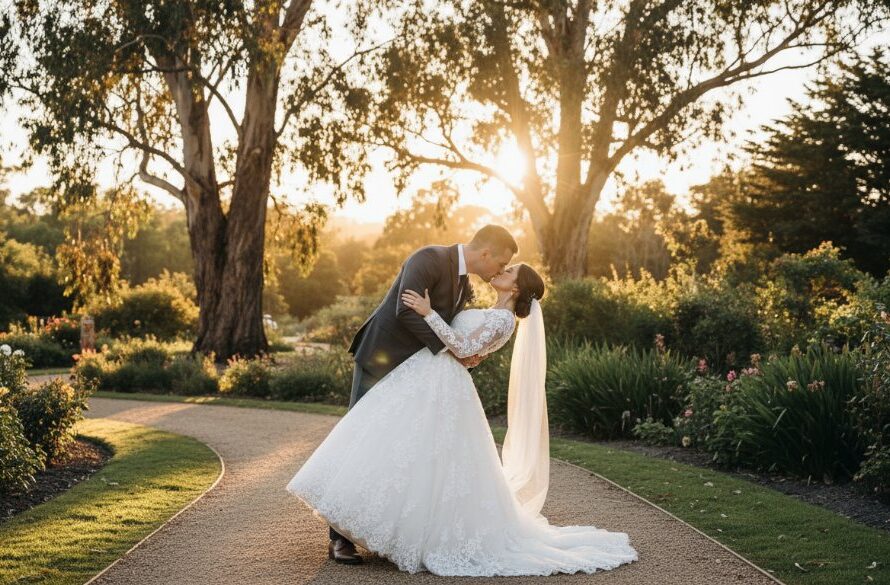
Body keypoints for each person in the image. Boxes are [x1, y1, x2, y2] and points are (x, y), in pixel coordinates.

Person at [285, 255, 640, 576]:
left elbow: (466, 348)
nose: (503, 269)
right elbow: (468, 352)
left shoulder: (504, 320)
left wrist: (428, 313)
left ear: (517, 286)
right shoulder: (489, 310)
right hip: (424, 375)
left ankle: (411, 533)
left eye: (511, 270)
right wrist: (457, 341)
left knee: (429, 458)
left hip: (443, 385)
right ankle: (358, 527)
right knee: (397, 446)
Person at [325, 224, 518, 564]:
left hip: (415, 372)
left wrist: (466, 351)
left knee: (397, 449)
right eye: (500, 263)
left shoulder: (463, 281)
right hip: (381, 358)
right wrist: (449, 351)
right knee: (361, 440)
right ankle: (339, 538)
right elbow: (404, 310)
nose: (499, 271)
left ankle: (375, 527)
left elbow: (455, 328)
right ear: (485, 253)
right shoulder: (429, 257)